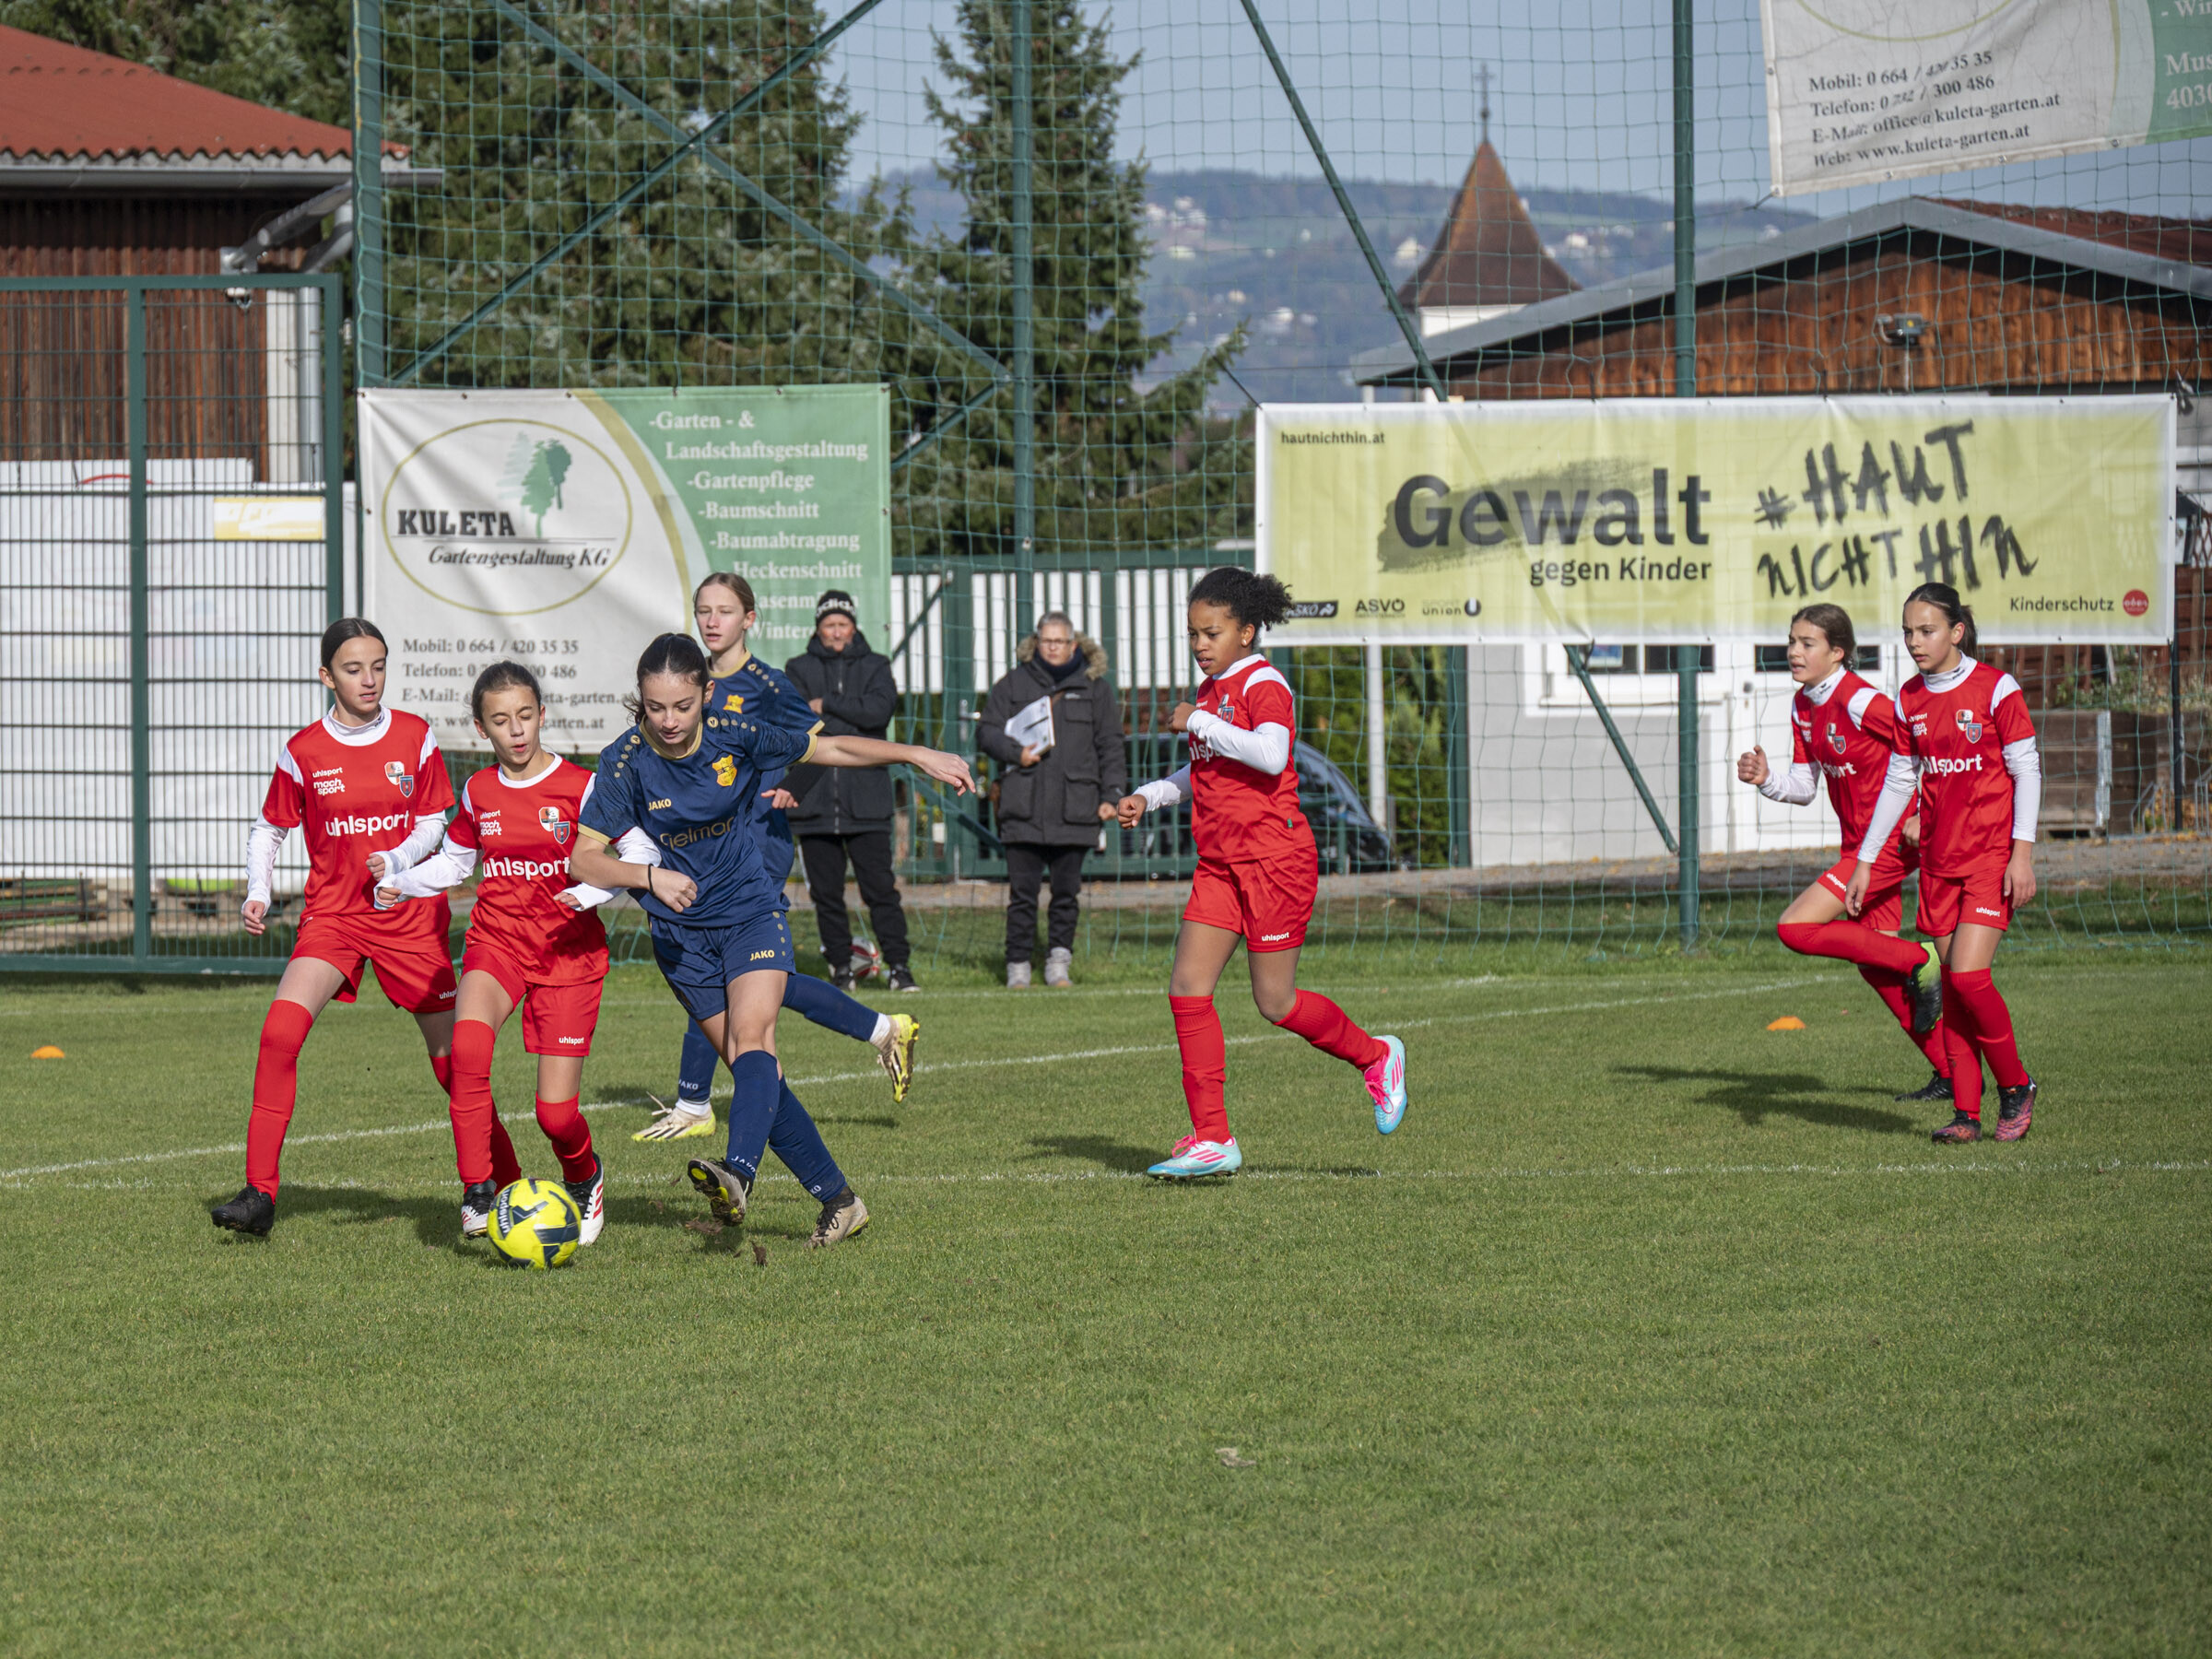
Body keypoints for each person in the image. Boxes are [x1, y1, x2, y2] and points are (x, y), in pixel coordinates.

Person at [568, 633, 976, 1247]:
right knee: (759, 1078)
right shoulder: (624, 761)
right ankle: (840, 1201)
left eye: (683, 705)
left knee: (752, 1038)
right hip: (681, 938)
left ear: (708, 694)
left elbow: (830, 745)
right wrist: (648, 877)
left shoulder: (735, 734)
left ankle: (738, 1174)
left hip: (749, 909)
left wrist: (915, 754)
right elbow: (584, 859)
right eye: (655, 707)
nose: (669, 720)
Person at [1114, 568, 1408, 1180]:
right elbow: (1207, 771)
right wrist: (1150, 795)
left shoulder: (1262, 682)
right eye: (1193, 633)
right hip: (1221, 864)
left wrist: (1196, 721)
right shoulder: (1211, 691)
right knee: (1187, 988)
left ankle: (1377, 1056)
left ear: (1246, 632)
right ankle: (1213, 1139)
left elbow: (1272, 755)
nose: (1200, 644)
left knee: (1275, 1001)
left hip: (1274, 861)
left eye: (1212, 633)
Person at [636, 574, 922, 1143]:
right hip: (698, 854)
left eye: (724, 610)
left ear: (749, 618)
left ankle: (696, 1103)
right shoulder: (682, 687)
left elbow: (823, 744)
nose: (712, 621)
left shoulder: (766, 684)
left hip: (753, 850)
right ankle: (881, 1028)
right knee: (742, 978)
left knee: (727, 974)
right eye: (703, 610)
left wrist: (792, 786)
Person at [211, 618, 462, 1236]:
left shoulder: (415, 735)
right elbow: (270, 828)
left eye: (378, 666)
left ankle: (495, 1185)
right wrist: (259, 890)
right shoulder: (303, 750)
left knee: (456, 1064)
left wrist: (399, 860)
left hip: (409, 917)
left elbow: (435, 820)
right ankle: (259, 1195)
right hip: (335, 919)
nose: (369, 679)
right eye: (353, 669)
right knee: (279, 1034)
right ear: (327, 676)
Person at [376, 663, 613, 1242]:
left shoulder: (582, 786)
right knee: (467, 1050)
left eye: (525, 716)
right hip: (497, 942)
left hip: (567, 955)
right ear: (481, 729)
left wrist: (587, 893)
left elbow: (633, 856)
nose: (517, 730)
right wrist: (401, 879)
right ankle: (478, 1189)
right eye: (501, 720)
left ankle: (584, 1174)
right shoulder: (479, 790)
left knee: (555, 1115)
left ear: (542, 714)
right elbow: (456, 862)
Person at [1735, 603, 1953, 1101]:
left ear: (1838, 652)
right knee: (1876, 965)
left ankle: (1919, 957)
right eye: (1791, 642)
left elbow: (1930, 748)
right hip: (1859, 845)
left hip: (1891, 842)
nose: (1794, 652)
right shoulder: (1802, 705)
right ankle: (1951, 1073)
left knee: (1795, 927)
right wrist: (1766, 779)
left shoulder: (1859, 700)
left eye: (1807, 643)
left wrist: (1925, 812)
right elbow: (1804, 785)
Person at [1848, 582, 2041, 1143]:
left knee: (1968, 976)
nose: (1915, 641)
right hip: (1937, 862)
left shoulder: (1996, 689)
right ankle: (1966, 1115)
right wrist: (1865, 861)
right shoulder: (1908, 698)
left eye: (1926, 630)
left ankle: (2016, 1086)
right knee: (1954, 992)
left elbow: (2027, 771)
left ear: (1957, 632)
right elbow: (1899, 781)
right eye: (1908, 632)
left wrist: (2022, 855)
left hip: (1990, 858)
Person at [978, 611, 1127, 988]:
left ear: (1073, 645)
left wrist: (1111, 795)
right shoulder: (1012, 684)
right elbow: (987, 732)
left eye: (1060, 641)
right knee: (1022, 896)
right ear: (1036, 642)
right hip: (1022, 807)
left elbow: (1111, 746)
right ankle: (1017, 967)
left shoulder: (1096, 689)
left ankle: (1059, 964)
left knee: (1066, 895)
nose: (1053, 648)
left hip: (1076, 808)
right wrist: (1015, 753)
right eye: (1046, 641)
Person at [782, 589, 917, 993]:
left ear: (854, 627)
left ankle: (899, 967)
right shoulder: (797, 668)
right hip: (814, 804)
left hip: (867, 804)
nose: (837, 632)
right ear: (818, 628)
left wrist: (828, 704)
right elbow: (797, 721)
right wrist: (852, 723)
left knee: (881, 891)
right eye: (829, 625)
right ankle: (840, 967)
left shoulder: (876, 665)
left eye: (843, 624)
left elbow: (879, 712)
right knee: (826, 895)